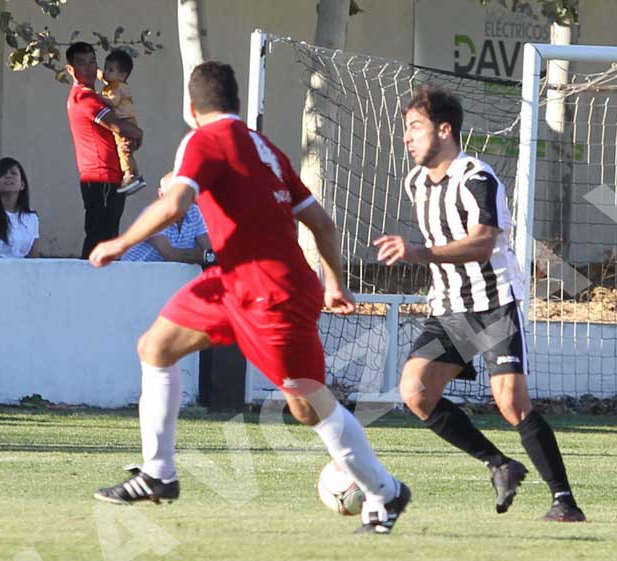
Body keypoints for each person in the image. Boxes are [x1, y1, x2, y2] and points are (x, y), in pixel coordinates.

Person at [88, 61, 410, 534]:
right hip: (234, 283)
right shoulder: (266, 149)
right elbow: (322, 224)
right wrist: (335, 282)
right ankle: (158, 474)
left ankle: (385, 491)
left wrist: (118, 243)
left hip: (270, 292)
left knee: (308, 406)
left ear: (191, 107)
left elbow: (174, 204)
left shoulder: (203, 139)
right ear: (236, 104)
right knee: (155, 347)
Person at [375, 84, 585, 522]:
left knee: (511, 404)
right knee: (415, 392)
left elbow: (483, 243)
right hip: (448, 311)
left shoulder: (477, 177)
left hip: (492, 307)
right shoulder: (416, 183)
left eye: (416, 127)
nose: (407, 137)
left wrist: (419, 253)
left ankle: (564, 501)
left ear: (444, 130)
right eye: (406, 129)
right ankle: (500, 465)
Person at [65, 41, 144, 259]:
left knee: (105, 237)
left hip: (108, 176)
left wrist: (132, 140)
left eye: (92, 62)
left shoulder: (97, 95)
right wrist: (138, 133)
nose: (89, 68)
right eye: (81, 63)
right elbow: (120, 127)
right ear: (70, 69)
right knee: (101, 242)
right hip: (101, 176)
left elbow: (120, 134)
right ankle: (88, 280)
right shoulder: (84, 96)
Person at [121, 174, 212, 265]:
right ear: (161, 195)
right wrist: (206, 256)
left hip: (168, 270)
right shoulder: (154, 214)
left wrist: (208, 255)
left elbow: (209, 248)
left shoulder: (194, 212)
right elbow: (170, 254)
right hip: (133, 270)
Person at [99, 49, 147, 196]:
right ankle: (136, 174)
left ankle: (128, 175)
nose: (106, 72)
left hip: (124, 121)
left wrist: (97, 97)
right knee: (128, 150)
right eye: (106, 68)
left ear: (122, 75)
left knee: (123, 149)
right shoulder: (116, 83)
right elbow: (102, 76)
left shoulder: (116, 87)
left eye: (110, 70)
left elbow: (112, 102)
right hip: (129, 120)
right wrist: (96, 71)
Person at [0, 157, 39, 258]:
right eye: (3, 173)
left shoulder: (31, 217)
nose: (8, 176)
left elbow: (33, 257)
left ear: (22, 185)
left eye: (13, 173)